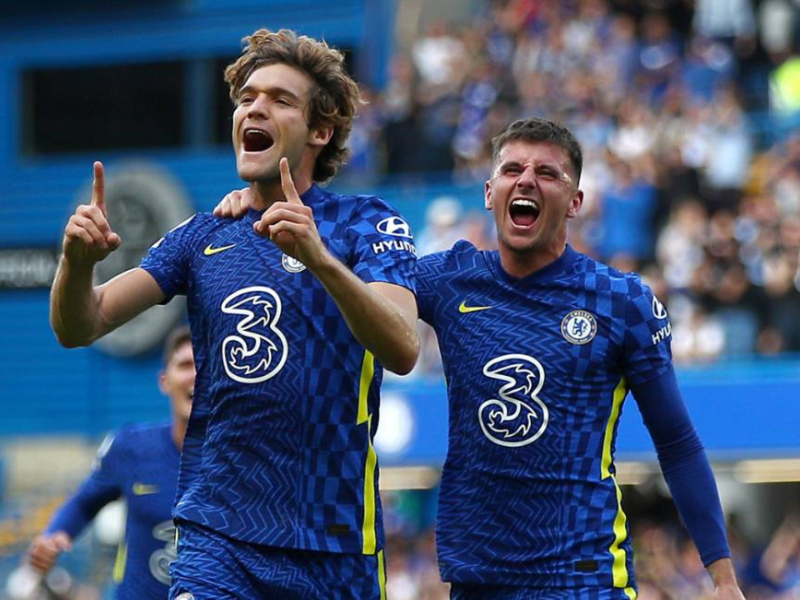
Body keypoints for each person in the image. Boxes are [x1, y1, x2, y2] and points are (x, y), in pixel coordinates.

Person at [49, 28, 418, 600]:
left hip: (336, 543)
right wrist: (75, 264)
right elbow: (83, 323)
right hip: (218, 537)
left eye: (280, 99)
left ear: (320, 131)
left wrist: (320, 260)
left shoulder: (365, 223)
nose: (255, 108)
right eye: (247, 98)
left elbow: (403, 347)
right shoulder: (202, 236)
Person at [414, 118, 745, 599]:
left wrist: (723, 578)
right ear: (488, 193)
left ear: (575, 202)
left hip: (583, 576)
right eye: (512, 169)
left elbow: (677, 443)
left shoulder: (621, 301)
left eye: (547, 173)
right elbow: (359, 290)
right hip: (479, 579)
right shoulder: (448, 280)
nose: (526, 180)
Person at [27, 325, 195, 599]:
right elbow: (84, 502)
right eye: (185, 365)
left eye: (204, 366)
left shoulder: (242, 456)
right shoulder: (132, 447)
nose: (196, 375)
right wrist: (55, 535)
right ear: (165, 381)